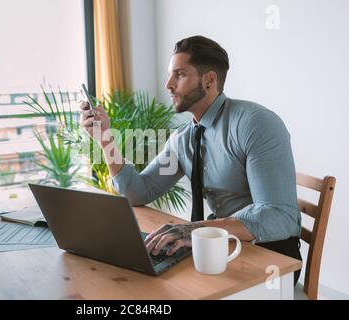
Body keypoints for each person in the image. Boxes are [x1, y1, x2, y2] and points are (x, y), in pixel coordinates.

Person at [80, 35, 302, 284]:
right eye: (170, 75)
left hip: (272, 255)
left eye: (180, 74)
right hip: (221, 247)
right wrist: (105, 139)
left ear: (209, 80)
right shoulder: (184, 139)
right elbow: (137, 192)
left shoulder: (255, 124)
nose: (168, 85)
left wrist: (195, 229)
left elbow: (278, 216)